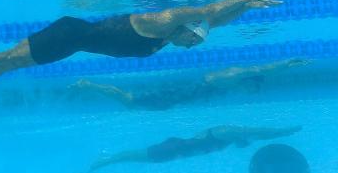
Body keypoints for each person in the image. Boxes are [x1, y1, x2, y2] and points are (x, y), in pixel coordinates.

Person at [0, 0, 282, 106]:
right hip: (69, 35)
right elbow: (208, 11)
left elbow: (214, 20)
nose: (193, 45)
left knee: (11, 63)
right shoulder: (165, 21)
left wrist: (247, 7)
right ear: (184, 28)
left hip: (74, 41)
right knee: (9, 61)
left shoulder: (174, 34)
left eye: (198, 42)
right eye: (194, 39)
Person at [70, 58, 308, 110]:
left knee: (134, 102)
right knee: (131, 101)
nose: (249, 93)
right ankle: (88, 84)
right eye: (252, 88)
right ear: (249, 82)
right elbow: (260, 68)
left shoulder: (236, 79)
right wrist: (287, 65)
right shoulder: (238, 73)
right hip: (184, 91)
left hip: (182, 94)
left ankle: (89, 85)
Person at [83, 125, 301, 173]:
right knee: (129, 157)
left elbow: (250, 136)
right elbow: (257, 132)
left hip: (176, 151)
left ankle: (105, 160)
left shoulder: (231, 137)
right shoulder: (227, 131)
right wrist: (281, 132)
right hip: (172, 149)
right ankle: (100, 162)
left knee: (133, 158)